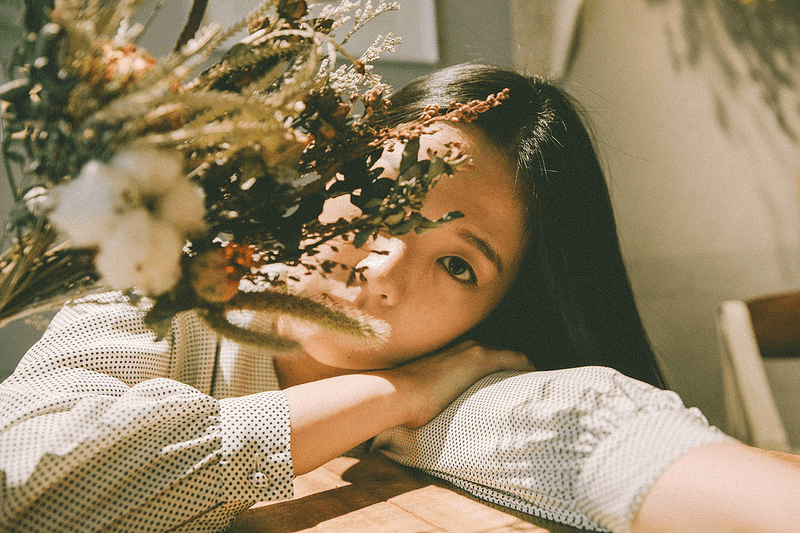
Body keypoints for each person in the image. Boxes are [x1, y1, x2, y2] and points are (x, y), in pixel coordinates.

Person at [0, 63, 798, 533]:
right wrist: (391, 393)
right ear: (330, 173)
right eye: (380, 197)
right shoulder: (163, 285)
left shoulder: (465, 383)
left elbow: (594, 434)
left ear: (497, 309)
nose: (383, 264)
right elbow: (26, 481)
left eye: (458, 265)